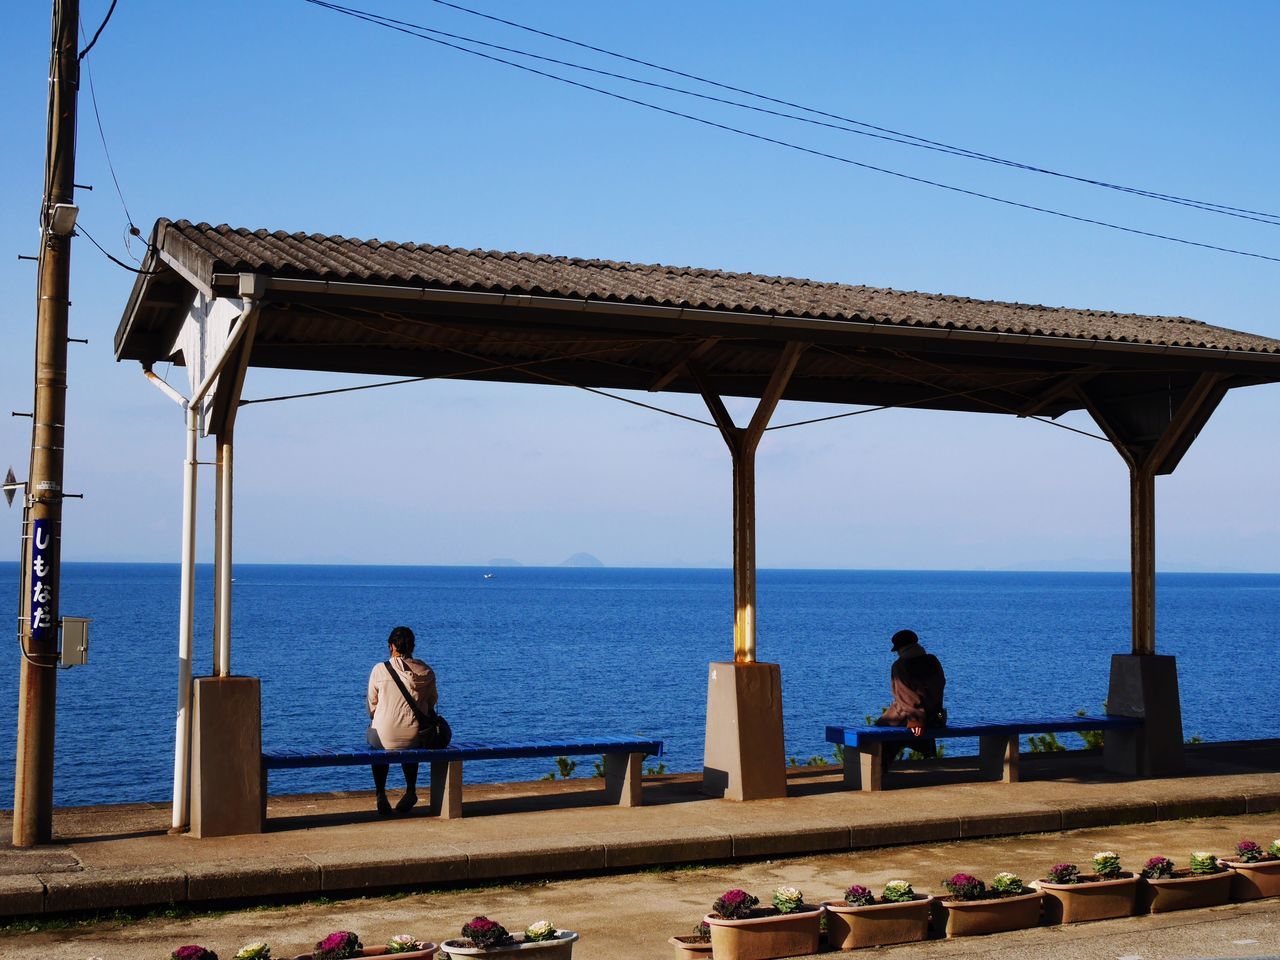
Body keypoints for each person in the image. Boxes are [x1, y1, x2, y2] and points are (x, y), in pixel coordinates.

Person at [366, 625, 438, 815]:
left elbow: (371, 707)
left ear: (391, 646)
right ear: (413, 646)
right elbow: (431, 705)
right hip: (415, 737)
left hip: (383, 737)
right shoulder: (427, 672)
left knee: (377, 739)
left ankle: (381, 793)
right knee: (411, 733)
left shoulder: (379, 670)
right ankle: (411, 790)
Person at [874, 628, 946, 768]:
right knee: (925, 738)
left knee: (877, 734)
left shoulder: (900, 666)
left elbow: (906, 697)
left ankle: (877, 770)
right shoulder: (932, 660)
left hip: (909, 717)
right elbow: (940, 685)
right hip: (935, 717)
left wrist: (916, 720)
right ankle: (930, 760)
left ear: (900, 649)